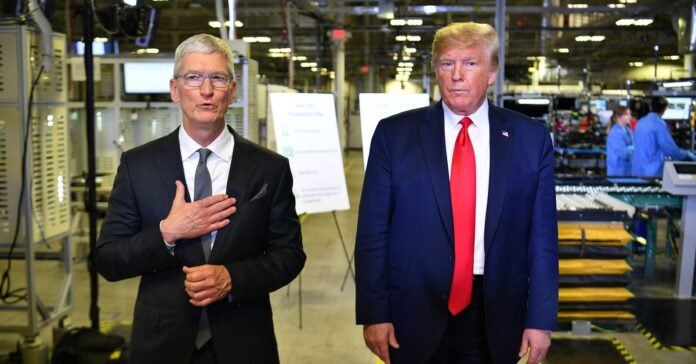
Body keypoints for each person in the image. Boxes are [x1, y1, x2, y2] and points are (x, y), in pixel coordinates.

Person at [355, 22, 558, 364]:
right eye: (447, 64)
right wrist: (374, 311)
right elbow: (373, 233)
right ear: (436, 70)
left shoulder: (530, 139)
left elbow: (543, 239)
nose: (457, 75)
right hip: (412, 311)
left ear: (492, 72)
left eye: (471, 63)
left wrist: (540, 319)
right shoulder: (394, 136)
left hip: (495, 312)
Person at [96, 34, 305, 364]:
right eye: (193, 77)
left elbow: (290, 255)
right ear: (175, 89)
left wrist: (231, 278)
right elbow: (108, 259)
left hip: (245, 343)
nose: (206, 91)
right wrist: (167, 232)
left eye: (218, 78)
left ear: (232, 91)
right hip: (161, 345)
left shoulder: (269, 169)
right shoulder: (139, 165)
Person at [632, 96, 696, 177]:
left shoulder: (641, 122)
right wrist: (687, 155)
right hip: (652, 172)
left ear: (650, 106)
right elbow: (670, 149)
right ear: (664, 109)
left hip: (637, 169)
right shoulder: (659, 124)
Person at [605, 106, 634, 176]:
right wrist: (633, 148)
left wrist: (630, 148)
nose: (630, 117)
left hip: (627, 170)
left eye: (630, 114)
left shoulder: (628, 130)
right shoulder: (615, 133)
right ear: (618, 117)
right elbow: (624, 153)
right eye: (627, 114)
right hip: (618, 172)